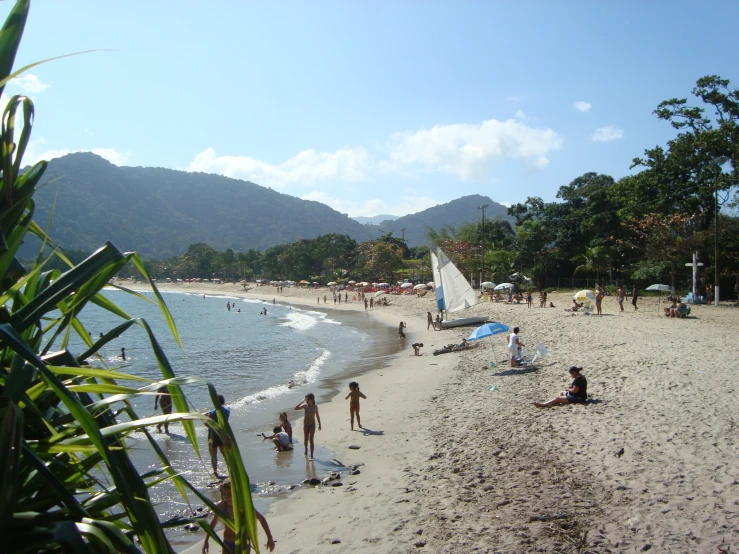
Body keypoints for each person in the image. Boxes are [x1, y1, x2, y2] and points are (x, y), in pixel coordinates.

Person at [202, 478, 275, 554]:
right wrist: (206, 541)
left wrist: (269, 538)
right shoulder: (221, 507)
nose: (227, 498)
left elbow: (261, 519)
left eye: (230, 494)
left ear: (236, 493)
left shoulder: (244, 507)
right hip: (228, 543)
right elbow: (213, 524)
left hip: (243, 543)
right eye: (224, 494)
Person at [207, 395, 231, 478]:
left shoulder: (212, 413)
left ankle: (215, 471)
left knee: (213, 454)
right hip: (223, 434)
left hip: (213, 435)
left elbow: (208, 425)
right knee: (225, 454)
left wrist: (205, 418)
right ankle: (230, 469)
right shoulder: (227, 411)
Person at [295, 393, 321, 460]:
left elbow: (317, 416)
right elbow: (295, 408)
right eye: (306, 399)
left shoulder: (315, 407)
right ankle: (306, 449)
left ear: (312, 400)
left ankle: (311, 455)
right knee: (306, 439)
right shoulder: (305, 406)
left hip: (312, 425)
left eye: (308, 399)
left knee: (311, 440)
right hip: (306, 425)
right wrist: (302, 401)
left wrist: (319, 424)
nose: (307, 401)